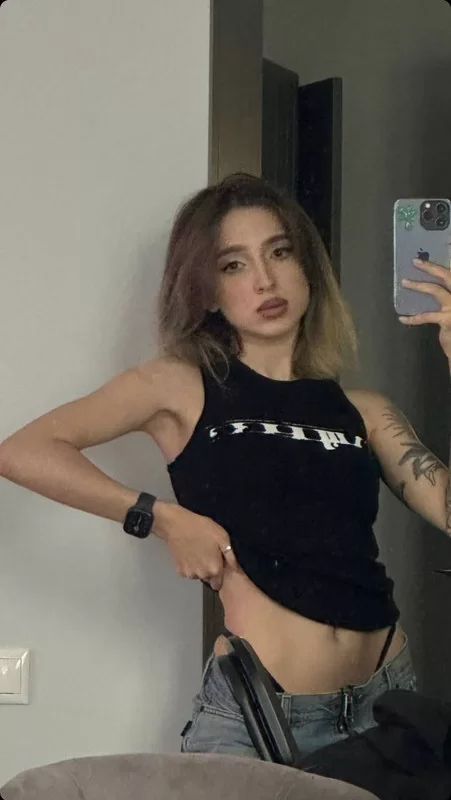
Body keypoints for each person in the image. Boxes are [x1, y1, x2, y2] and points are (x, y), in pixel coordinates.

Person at [1, 173, 450, 759]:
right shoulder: (178, 387)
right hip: (264, 719)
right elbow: (23, 451)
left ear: (307, 267)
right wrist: (161, 518)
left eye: (279, 253)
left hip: (386, 705)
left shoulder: (364, 412)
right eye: (233, 265)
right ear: (208, 291)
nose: (265, 280)